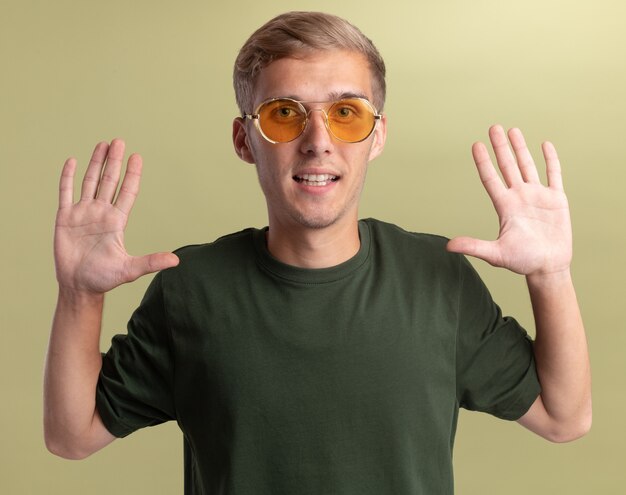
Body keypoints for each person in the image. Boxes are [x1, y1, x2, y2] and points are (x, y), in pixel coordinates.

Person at [44, 11, 591, 495]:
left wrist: (552, 275)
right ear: (244, 139)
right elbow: (72, 436)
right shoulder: (190, 289)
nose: (318, 140)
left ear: (376, 136)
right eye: (286, 114)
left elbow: (564, 418)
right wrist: (78, 296)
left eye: (346, 113)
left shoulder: (438, 278)